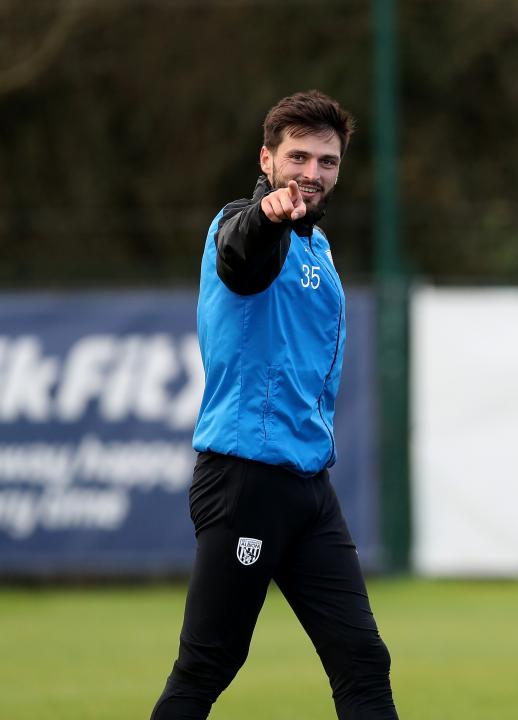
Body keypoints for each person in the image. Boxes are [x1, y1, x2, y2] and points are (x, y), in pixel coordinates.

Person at [151, 90, 399, 719]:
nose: (311, 173)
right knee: (209, 661)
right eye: (297, 157)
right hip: (245, 480)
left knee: (364, 661)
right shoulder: (246, 224)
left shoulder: (317, 245)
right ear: (267, 159)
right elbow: (241, 256)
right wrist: (267, 217)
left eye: (327, 160)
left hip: (308, 486)